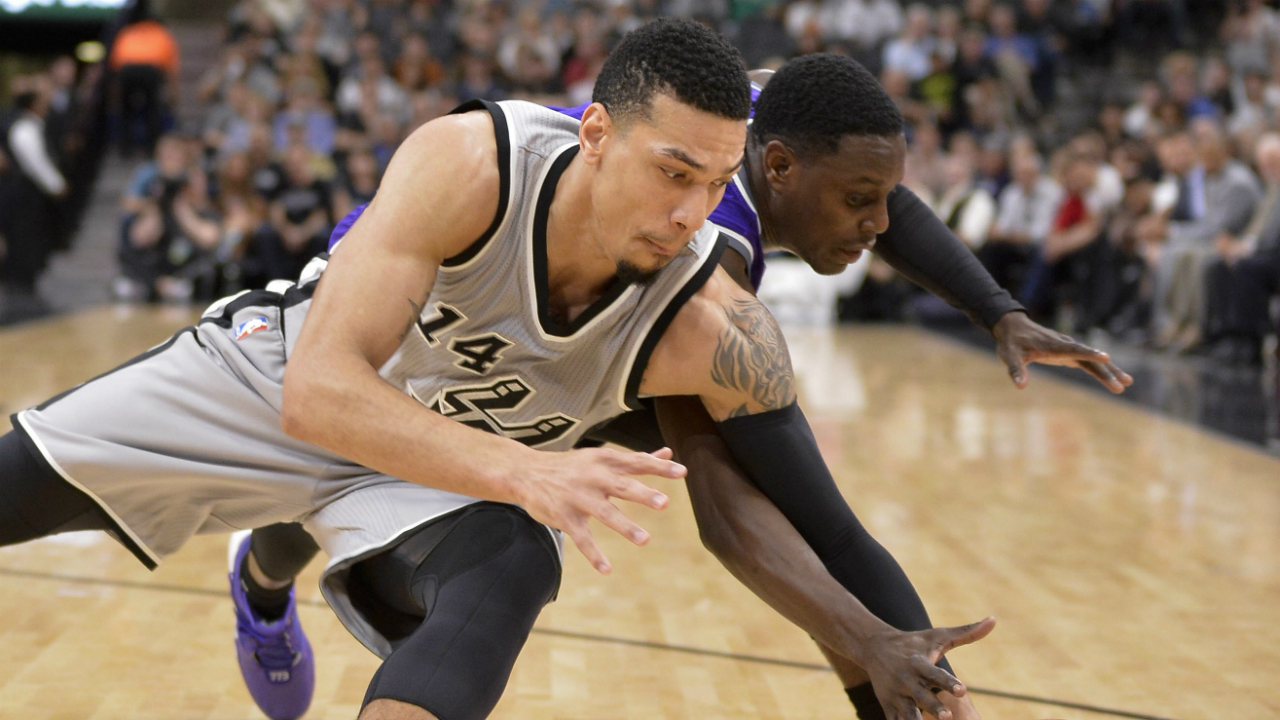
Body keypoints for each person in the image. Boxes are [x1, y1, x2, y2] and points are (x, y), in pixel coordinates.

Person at [0, 22, 990, 720]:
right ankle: (260, 584)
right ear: (593, 135)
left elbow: (806, 527)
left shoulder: (714, 322)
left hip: (440, 463)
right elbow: (321, 393)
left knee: (513, 563)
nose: (690, 212)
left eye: (714, 183)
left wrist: (890, 658)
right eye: (671, 172)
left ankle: (280, 566)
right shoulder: (473, 161)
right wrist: (529, 471)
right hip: (288, 378)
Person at [265, 53, 1132, 720]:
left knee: (481, 531)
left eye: (879, 198)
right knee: (327, 467)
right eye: (857, 201)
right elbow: (745, 513)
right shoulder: (693, 270)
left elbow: (884, 193)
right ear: (779, 168)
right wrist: (885, 650)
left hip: (523, 332)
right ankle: (264, 580)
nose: (876, 222)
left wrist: (997, 312)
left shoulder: (770, 104)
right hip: (404, 299)